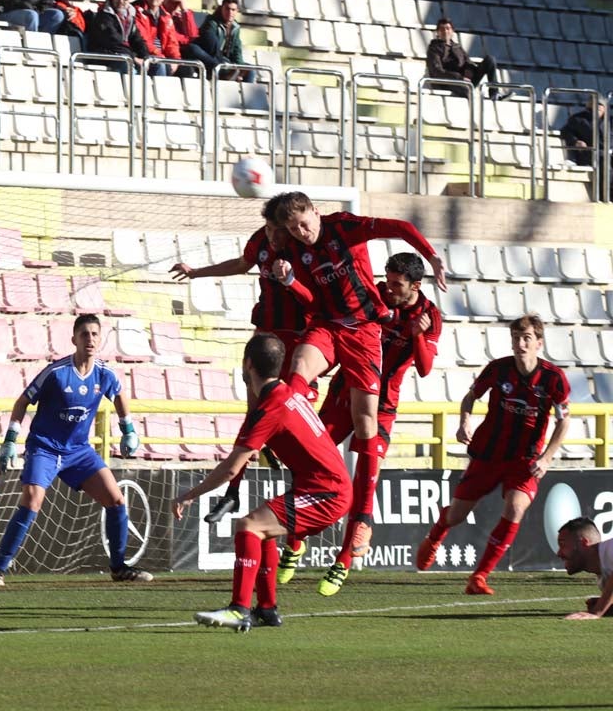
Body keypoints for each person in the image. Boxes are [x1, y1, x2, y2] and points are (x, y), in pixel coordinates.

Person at [268, 193, 445, 539]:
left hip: (363, 332)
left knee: (366, 424)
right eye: (294, 228)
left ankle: (362, 517)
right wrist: (289, 282)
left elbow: (402, 227)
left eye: (304, 223)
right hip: (329, 326)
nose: (302, 232)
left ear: (316, 213)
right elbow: (313, 300)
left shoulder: (343, 227)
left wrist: (432, 256)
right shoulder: (296, 252)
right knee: (298, 370)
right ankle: (284, 429)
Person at [174, 334, 351, 632]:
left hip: (326, 492)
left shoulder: (271, 407)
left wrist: (189, 495)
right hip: (326, 487)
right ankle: (266, 610)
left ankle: (238, 609)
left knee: (248, 526)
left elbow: (232, 468)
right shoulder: (288, 392)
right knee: (261, 530)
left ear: (247, 365)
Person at [289, 252, 442, 595]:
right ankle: (296, 540)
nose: (389, 288)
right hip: (345, 390)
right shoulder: (373, 294)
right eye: (387, 280)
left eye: (397, 284)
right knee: (308, 459)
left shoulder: (430, 315)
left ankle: (344, 557)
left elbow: (426, 367)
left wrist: (418, 335)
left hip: (383, 401)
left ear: (415, 286)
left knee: (364, 473)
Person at [170, 196, 310, 537]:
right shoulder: (262, 241)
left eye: (280, 231)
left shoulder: (301, 248)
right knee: (254, 416)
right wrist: (197, 273)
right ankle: (232, 494)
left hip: (296, 339)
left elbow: (313, 297)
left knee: (289, 416)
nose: (275, 237)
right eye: (271, 229)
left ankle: (297, 492)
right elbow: (242, 263)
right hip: (265, 334)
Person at [0, 314, 150, 586]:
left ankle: (119, 567)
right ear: (73, 338)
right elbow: (23, 401)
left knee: (116, 499)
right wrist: (9, 440)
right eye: (84, 334)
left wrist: (128, 429)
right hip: (45, 447)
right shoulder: (56, 372)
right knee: (32, 500)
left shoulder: (104, 373)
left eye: (95, 334)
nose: (90, 339)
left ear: (100, 339)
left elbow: (119, 394)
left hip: (78, 451)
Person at [416, 315, 570, 595]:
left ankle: (480, 576)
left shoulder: (553, 379)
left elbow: (564, 421)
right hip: (488, 454)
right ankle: (437, 534)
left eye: (526, 339)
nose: (520, 344)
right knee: (457, 515)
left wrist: (547, 457)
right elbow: (470, 397)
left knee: (516, 507)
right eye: (516, 338)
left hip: (525, 459)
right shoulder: (498, 370)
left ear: (538, 342)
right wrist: (464, 421)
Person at [426, 17, 500, 99]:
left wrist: (469, 69)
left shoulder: (457, 47)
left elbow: (468, 62)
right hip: (448, 82)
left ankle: (494, 93)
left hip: (465, 80)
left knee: (490, 60)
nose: (445, 31)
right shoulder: (434, 48)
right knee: (467, 90)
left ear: (452, 31)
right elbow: (437, 71)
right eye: (442, 29)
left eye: (448, 29)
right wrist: (458, 77)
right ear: (438, 32)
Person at [555, 517, 613, 620]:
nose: (558, 553)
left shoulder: (610, 548)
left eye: (563, 545)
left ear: (584, 543)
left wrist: (598, 610)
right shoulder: (603, 581)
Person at [85, 0, 149, 75]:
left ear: (129, 0)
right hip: (103, 54)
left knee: (156, 65)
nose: (121, 1)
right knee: (126, 63)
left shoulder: (130, 17)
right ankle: (130, 88)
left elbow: (137, 39)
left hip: (122, 54)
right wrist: (133, 57)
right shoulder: (104, 16)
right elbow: (113, 41)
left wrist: (145, 57)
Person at [132, 0, 181, 77]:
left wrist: (175, 60)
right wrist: (161, 57)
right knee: (160, 65)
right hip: (144, 54)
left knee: (187, 69)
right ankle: (161, 92)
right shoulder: (137, 11)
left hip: (161, 57)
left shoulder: (166, 16)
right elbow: (143, 39)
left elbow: (172, 43)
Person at [196, 0, 251, 81]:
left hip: (227, 60)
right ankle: (227, 74)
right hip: (211, 58)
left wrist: (240, 67)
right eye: (227, 9)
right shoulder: (212, 22)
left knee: (250, 70)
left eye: (233, 10)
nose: (230, 12)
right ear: (221, 9)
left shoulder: (235, 27)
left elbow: (237, 49)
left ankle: (245, 93)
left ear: (237, 11)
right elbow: (212, 45)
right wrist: (227, 64)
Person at [162, 0, 204, 79]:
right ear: (164, 0)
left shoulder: (182, 16)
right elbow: (173, 38)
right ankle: (216, 66)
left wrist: (185, 11)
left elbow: (192, 35)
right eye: (171, 2)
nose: (173, 5)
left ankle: (217, 66)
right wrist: (186, 39)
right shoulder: (161, 15)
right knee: (193, 50)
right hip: (170, 53)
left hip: (183, 52)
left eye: (177, 3)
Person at [560, 100, 606, 168]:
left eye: (601, 104)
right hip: (589, 153)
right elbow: (565, 132)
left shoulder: (609, 121)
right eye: (596, 103)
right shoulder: (578, 119)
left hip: (607, 152)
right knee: (604, 160)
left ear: (605, 108)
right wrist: (576, 141)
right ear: (589, 105)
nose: (598, 106)